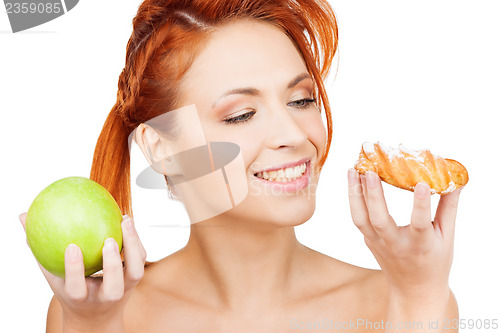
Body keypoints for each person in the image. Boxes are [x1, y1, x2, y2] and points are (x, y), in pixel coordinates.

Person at [19, 0, 462, 331]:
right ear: (162, 149)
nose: (293, 133)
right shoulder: (95, 309)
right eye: (240, 114)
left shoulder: (396, 301)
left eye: (302, 99)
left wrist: (420, 295)